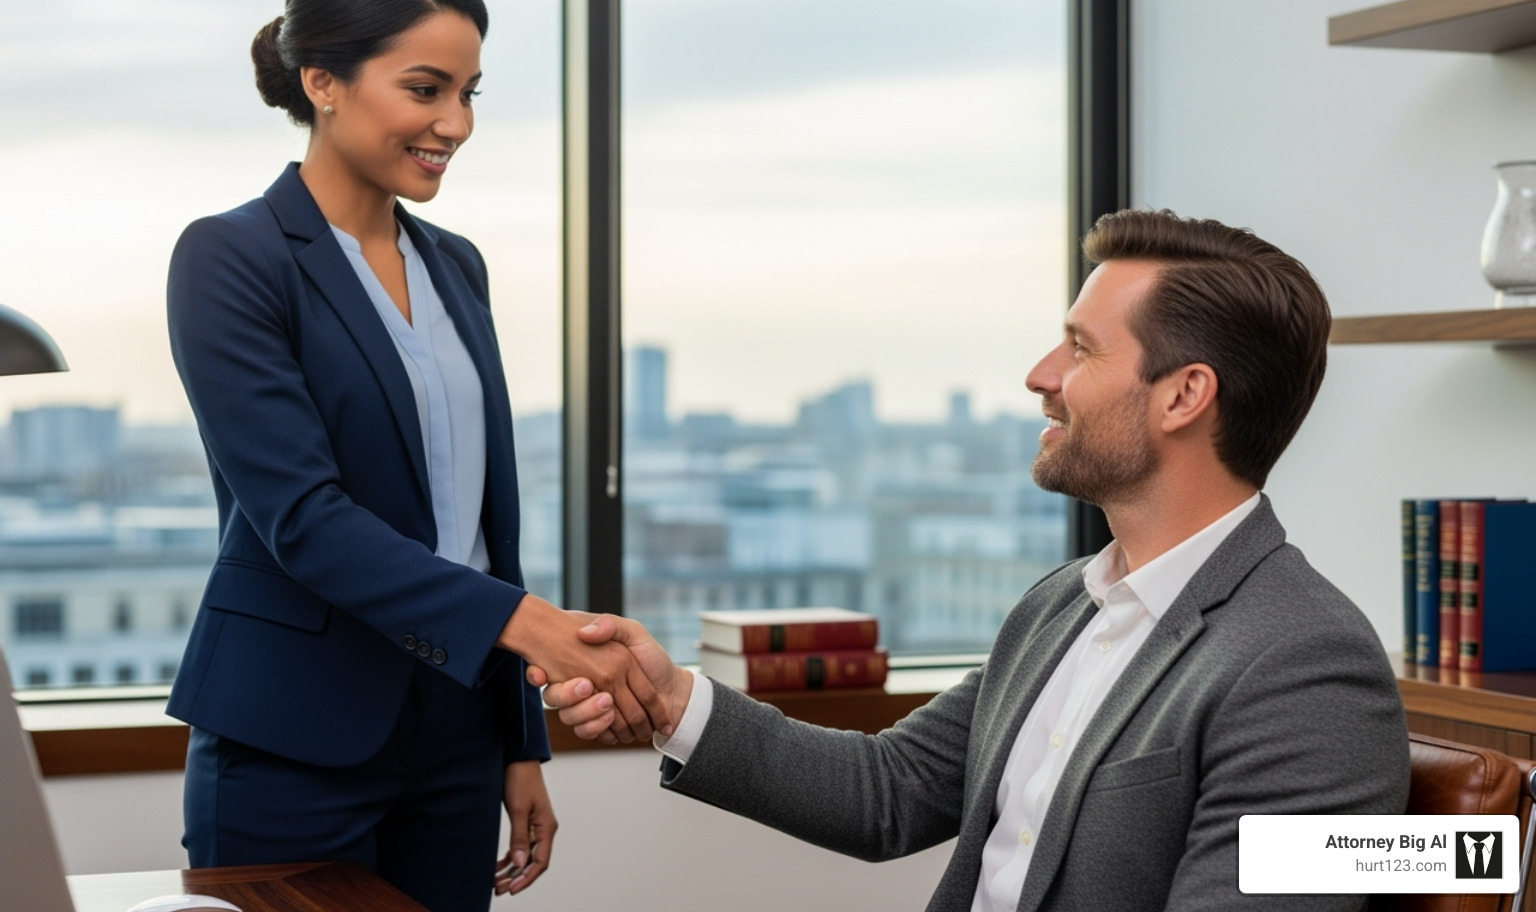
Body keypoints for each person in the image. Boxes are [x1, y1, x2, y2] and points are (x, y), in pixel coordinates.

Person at [537, 210, 1411, 912]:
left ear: (1184, 395)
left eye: (1082, 348)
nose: (1039, 375)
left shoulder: (1308, 666)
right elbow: (891, 790)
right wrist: (671, 698)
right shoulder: (1061, 606)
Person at [165, 0, 670, 912]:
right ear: (323, 81)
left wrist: (518, 739)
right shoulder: (231, 258)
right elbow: (305, 520)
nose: (456, 123)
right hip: (292, 734)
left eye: (470, 94)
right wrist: (536, 629)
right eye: (426, 89)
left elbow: (481, 528)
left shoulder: (456, 264)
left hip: (457, 734)